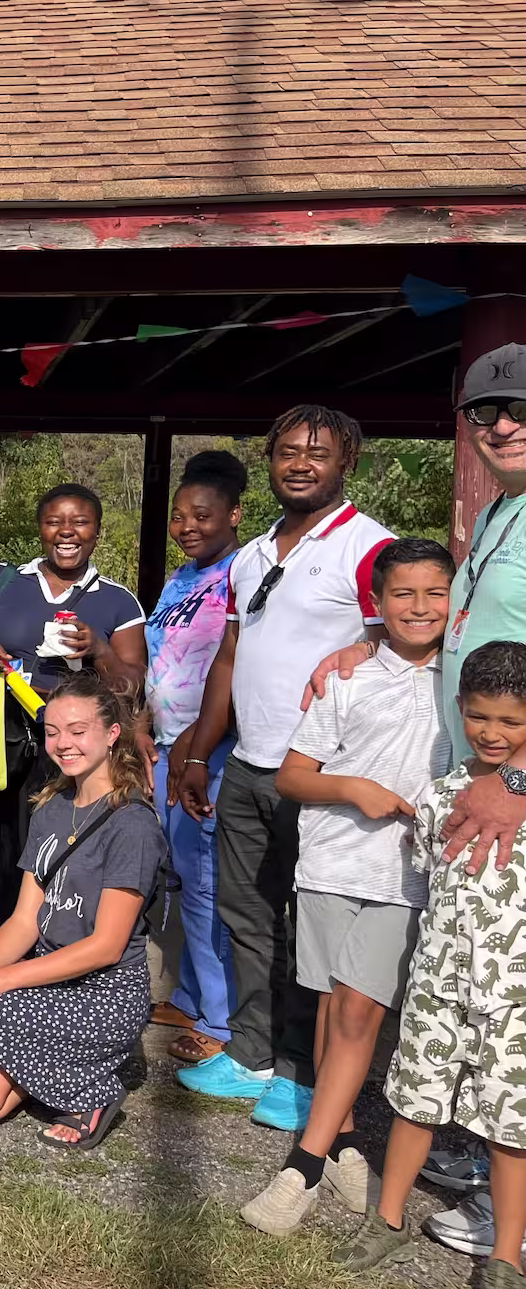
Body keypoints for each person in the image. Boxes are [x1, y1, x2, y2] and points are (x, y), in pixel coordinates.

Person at [175, 406, 393, 1132]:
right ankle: (253, 1053)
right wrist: (202, 750)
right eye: (288, 453)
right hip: (249, 765)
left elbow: (400, 645)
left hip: (323, 771)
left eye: (318, 453)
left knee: (315, 933)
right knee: (248, 914)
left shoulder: (370, 549)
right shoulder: (253, 553)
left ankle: (303, 1072)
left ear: (347, 462)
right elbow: (230, 659)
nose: (301, 464)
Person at [239, 538, 455, 1236]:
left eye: (434, 593)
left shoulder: (463, 678)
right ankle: (346, 1141)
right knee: (334, 1011)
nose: (419, 607)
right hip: (331, 863)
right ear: (378, 604)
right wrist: (353, 789)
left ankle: (299, 1167)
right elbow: (293, 777)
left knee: (361, 1013)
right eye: (403, 595)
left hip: (408, 875)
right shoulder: (347, 678)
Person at [334, 640, 526, 1289]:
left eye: (512, 722)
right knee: (414, 1101)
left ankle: (505, 1264)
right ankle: (387, 1218)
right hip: (438, 980)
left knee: (512, 1128)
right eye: (479, 717)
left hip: (514, 997)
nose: (493, 733)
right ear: (460, 711)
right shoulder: (439, 796)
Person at [306, 345, 526, 878]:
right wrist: (372, 644)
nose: (502, 426)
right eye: (484, 410)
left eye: (522, 408)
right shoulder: (496, 511)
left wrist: (516, 781)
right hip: (479, 781)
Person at [0, 674, 165, 1150]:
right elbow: (23, 919)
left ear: (112, 733)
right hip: (47, 979)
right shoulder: (52, 806)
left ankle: (91, 1090)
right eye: (53, 731)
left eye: (78, 730)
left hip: (104, 993)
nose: (62, 743)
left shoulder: (132, 824)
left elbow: (106, 946)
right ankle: (60, 1064)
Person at [0, 483, 147, 930]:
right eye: (54, 521)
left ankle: (57, 938)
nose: (67, 532)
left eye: (80, 522)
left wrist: (99, 650)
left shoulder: (117, 600)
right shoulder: (4, 581)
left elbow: (134, 683)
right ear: (40, 529)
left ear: (97, 531)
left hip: (71, 743)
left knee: (61, 838)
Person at [145, 450, 247, 1065]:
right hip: (164, 744)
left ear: (234, 515)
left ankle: (222, 1016)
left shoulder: (243, 572)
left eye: (201, 515)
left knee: (207, 883)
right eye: (179, 516)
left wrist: (195, 749)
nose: (186, 526)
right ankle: (189, 992)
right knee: (180, 876)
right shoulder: (181, 579)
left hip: (208, 752)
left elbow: (234, 670)